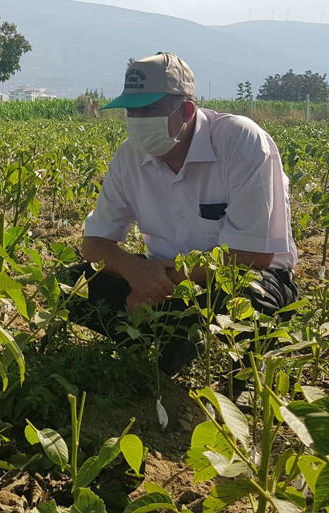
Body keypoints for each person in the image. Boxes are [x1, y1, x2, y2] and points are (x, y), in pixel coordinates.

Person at [67, 52, 299, 376]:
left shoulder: (240, 141)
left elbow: (253, 253)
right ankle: (164, 344)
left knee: (247, 295)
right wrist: (133, 270)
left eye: (149, 109)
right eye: (131, 111)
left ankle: (245, 378)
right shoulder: (128, 157)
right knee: (73, 284)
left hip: (237, 276)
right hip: (161, 278)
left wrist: (156, 282)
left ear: (187, 110)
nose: (137, 119)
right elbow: (94, 243)